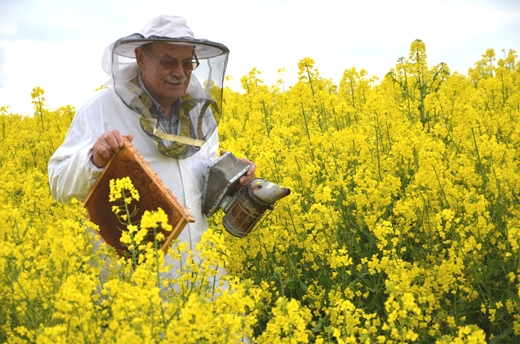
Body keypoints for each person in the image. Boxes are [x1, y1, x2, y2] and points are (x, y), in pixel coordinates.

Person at [47, 15, 255, 272]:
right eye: (168, 62)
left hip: (199, 269)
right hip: (129, 277)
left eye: (188, 63)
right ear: (141, 59)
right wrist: (94, 160)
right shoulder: (101, 108)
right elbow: (58, 183)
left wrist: (231, 179)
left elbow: (195, 183)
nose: (180, 73)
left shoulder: (200, 115)